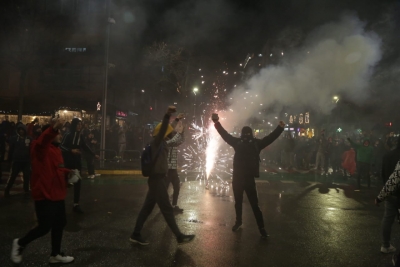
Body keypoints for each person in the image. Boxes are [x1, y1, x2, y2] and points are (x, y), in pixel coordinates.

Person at [10, 119, 74, 264]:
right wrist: (53, 129)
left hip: (57, 194)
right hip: (45, 194)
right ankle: (20, 243)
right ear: (49, 134)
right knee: (45, 227)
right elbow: (43, 141)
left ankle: (55, 254)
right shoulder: (38, 148)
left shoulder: (56, 150)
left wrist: (68, 174)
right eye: (58, 133)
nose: (60, 136)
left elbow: (58, 168)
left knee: (60, 223)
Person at [212, 113, 284, 238]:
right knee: (254, 205)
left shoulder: (237, 142)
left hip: (237, 179)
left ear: (242, 134)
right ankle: (261, 228)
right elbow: (270, 138)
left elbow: (224, 134)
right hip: (249, 179)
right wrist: (280, 128)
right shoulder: (256, 143)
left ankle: (238, 222)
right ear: (251, 133)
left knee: (238, 202)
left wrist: (216, 122)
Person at [130, 106, 195, 245]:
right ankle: (179, 236)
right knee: (167, 209)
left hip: (157, 179)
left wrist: (177, 119)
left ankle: (135, 234)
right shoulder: (157, 142)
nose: (171, 134)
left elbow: (168, 128)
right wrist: (167, 115)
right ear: (162, 133)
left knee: (147, 208)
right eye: (168, 133)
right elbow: (165, 127)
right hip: (157, 180)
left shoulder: (160, 143)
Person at [60, 118, 99, 213]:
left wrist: (94, 154)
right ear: (74, 125)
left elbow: (85, 146)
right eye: (78, 124)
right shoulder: (68, 135)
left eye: (80, 125)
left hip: (77, 161)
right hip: (68, 162)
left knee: (78, 182)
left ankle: (76, 204)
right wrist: (71, 150)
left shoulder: (80, 136)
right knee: (65, 182)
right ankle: (59, 203)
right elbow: (61, 146)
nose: (79, 126)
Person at [378, 136, 400, 254]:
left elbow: (383, 174)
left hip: (390, 192)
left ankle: (385, 245)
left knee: (388, 219)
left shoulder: (388, 155)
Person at [165, 113, 185, 212]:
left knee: (177, 187)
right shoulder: (165, 141)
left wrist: (182, 132)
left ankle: (174, 205)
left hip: (173, 169)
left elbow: (181, 140)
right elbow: (173, 141)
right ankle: (165, 206)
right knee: (164, 189)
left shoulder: (173, 139)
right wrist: (179, 132)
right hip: (166, 169)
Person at [4, 124, 32, 197]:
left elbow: (32, 149)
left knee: (26, 177)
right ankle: (7, 190)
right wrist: (9, 160)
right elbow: (11, 150)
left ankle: (26, 190)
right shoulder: (14, 138)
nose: (21, 131)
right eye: (20, 130)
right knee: (13, 176)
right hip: (17, 160)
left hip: (26, 161)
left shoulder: (29, 138)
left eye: (22, 130)